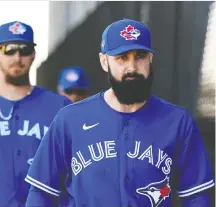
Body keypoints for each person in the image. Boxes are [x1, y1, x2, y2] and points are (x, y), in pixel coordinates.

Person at [25, 19, 214, 207]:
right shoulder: (69, 120)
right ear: (104, 61)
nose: (132, 67)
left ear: (150, 59)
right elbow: (42, 192)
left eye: (140, 56)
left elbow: (196, 196)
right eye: (122, 57)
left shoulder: (178, 122)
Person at [0, 21, 71, 207]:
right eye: (9, 49)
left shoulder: (59, 107)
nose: (17, 57)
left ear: (34, 54)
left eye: (25, 50)